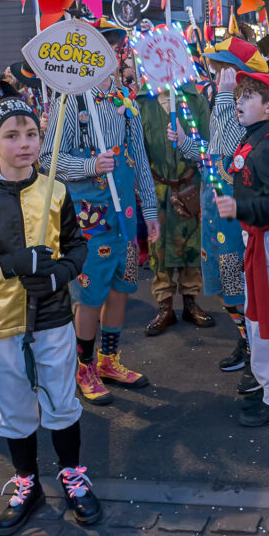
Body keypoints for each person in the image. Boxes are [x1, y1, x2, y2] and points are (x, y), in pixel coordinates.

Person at [0, 98, 101, 534]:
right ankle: (27, 483)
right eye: (12, 136)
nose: (25, 144)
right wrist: (9, 265)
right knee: (14, 408)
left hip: (51, 317)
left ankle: (72, 475)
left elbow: (76, 246)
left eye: (31, 134)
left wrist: (57, 279)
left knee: (62, 401)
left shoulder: (56, 190)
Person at [38, 53, 159, 406]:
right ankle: (84, 367)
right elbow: (48, 159)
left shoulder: (124, 99)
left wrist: (149, 209)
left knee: (122, 287)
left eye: (112, 52)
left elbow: (139, 159)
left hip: (127, 217)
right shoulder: (71, 100)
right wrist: (91, 163)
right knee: (89, 296)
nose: (108, 58)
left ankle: (109, 360)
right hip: (91, 220)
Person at [169, 37, 264, 387]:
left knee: (238, 282)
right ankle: (246, 340)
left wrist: (224, 96)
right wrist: (184, 142)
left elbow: (227, 146)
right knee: (226, 283)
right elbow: (214, 154)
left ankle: (256, 350)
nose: (217, 74)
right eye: (216, 67)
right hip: (215, 208)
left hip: (236, 213)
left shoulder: (245, 102)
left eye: (224, 68)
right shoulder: (225, 100)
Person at [216, 71, 269, 427]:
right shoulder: (256, 139)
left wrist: (241, 209)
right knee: (259, 316)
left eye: (249, 97)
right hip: (261, 238)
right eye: (239, 96)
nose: (240, 101)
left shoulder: (268, 146)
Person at [137, 76, 213, 337]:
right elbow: (137, 148)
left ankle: (191, 301)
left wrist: (186, 141)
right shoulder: (140, 103)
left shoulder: (195, 100)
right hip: (156, 187)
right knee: (158, 248)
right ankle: (164, 306)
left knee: (192, 244)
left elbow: (209, 145)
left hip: (190, 185)